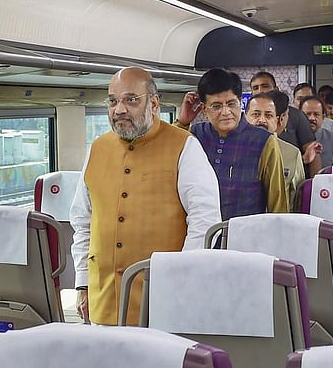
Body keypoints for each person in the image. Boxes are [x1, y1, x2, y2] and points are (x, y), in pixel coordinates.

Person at [71, 67, 221, 326]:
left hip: (162, 302)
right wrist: (82, 282)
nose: (119, 110)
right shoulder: (97, 149)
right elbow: (82, 221)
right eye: (113, 101)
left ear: (153, 103)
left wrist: (182, 278)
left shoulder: (184, 146)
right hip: (103, 301)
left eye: (131, 100)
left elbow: (205, 220)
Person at [177, 68, 288, 219]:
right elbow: (164, 160)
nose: (226, 112)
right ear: (204, 109)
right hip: (199, 236)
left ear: (240, 102)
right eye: (216, 106)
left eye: (231, 104)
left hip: (246, 237)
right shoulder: (194, 135)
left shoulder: (264, 141)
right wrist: (182, 122)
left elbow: (278, 203)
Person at [250, 71, 322, 176]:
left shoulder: (296, 116)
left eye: (265, 86)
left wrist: (312, 186)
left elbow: (313, 152)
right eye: (255, 88)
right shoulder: (247, 117)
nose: (260, 91)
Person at [246, 91, 307, 208]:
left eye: (268, 115)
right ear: (245, 117)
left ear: (277, 120)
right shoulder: (236, 149)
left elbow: (297, 199)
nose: (262, 120)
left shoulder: (292, 153)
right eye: (256, 114)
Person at [300, 95, 333, 165]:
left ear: (323, 117)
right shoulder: (292, 139)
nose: (311, 118)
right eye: (308, 114)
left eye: (316, 114)